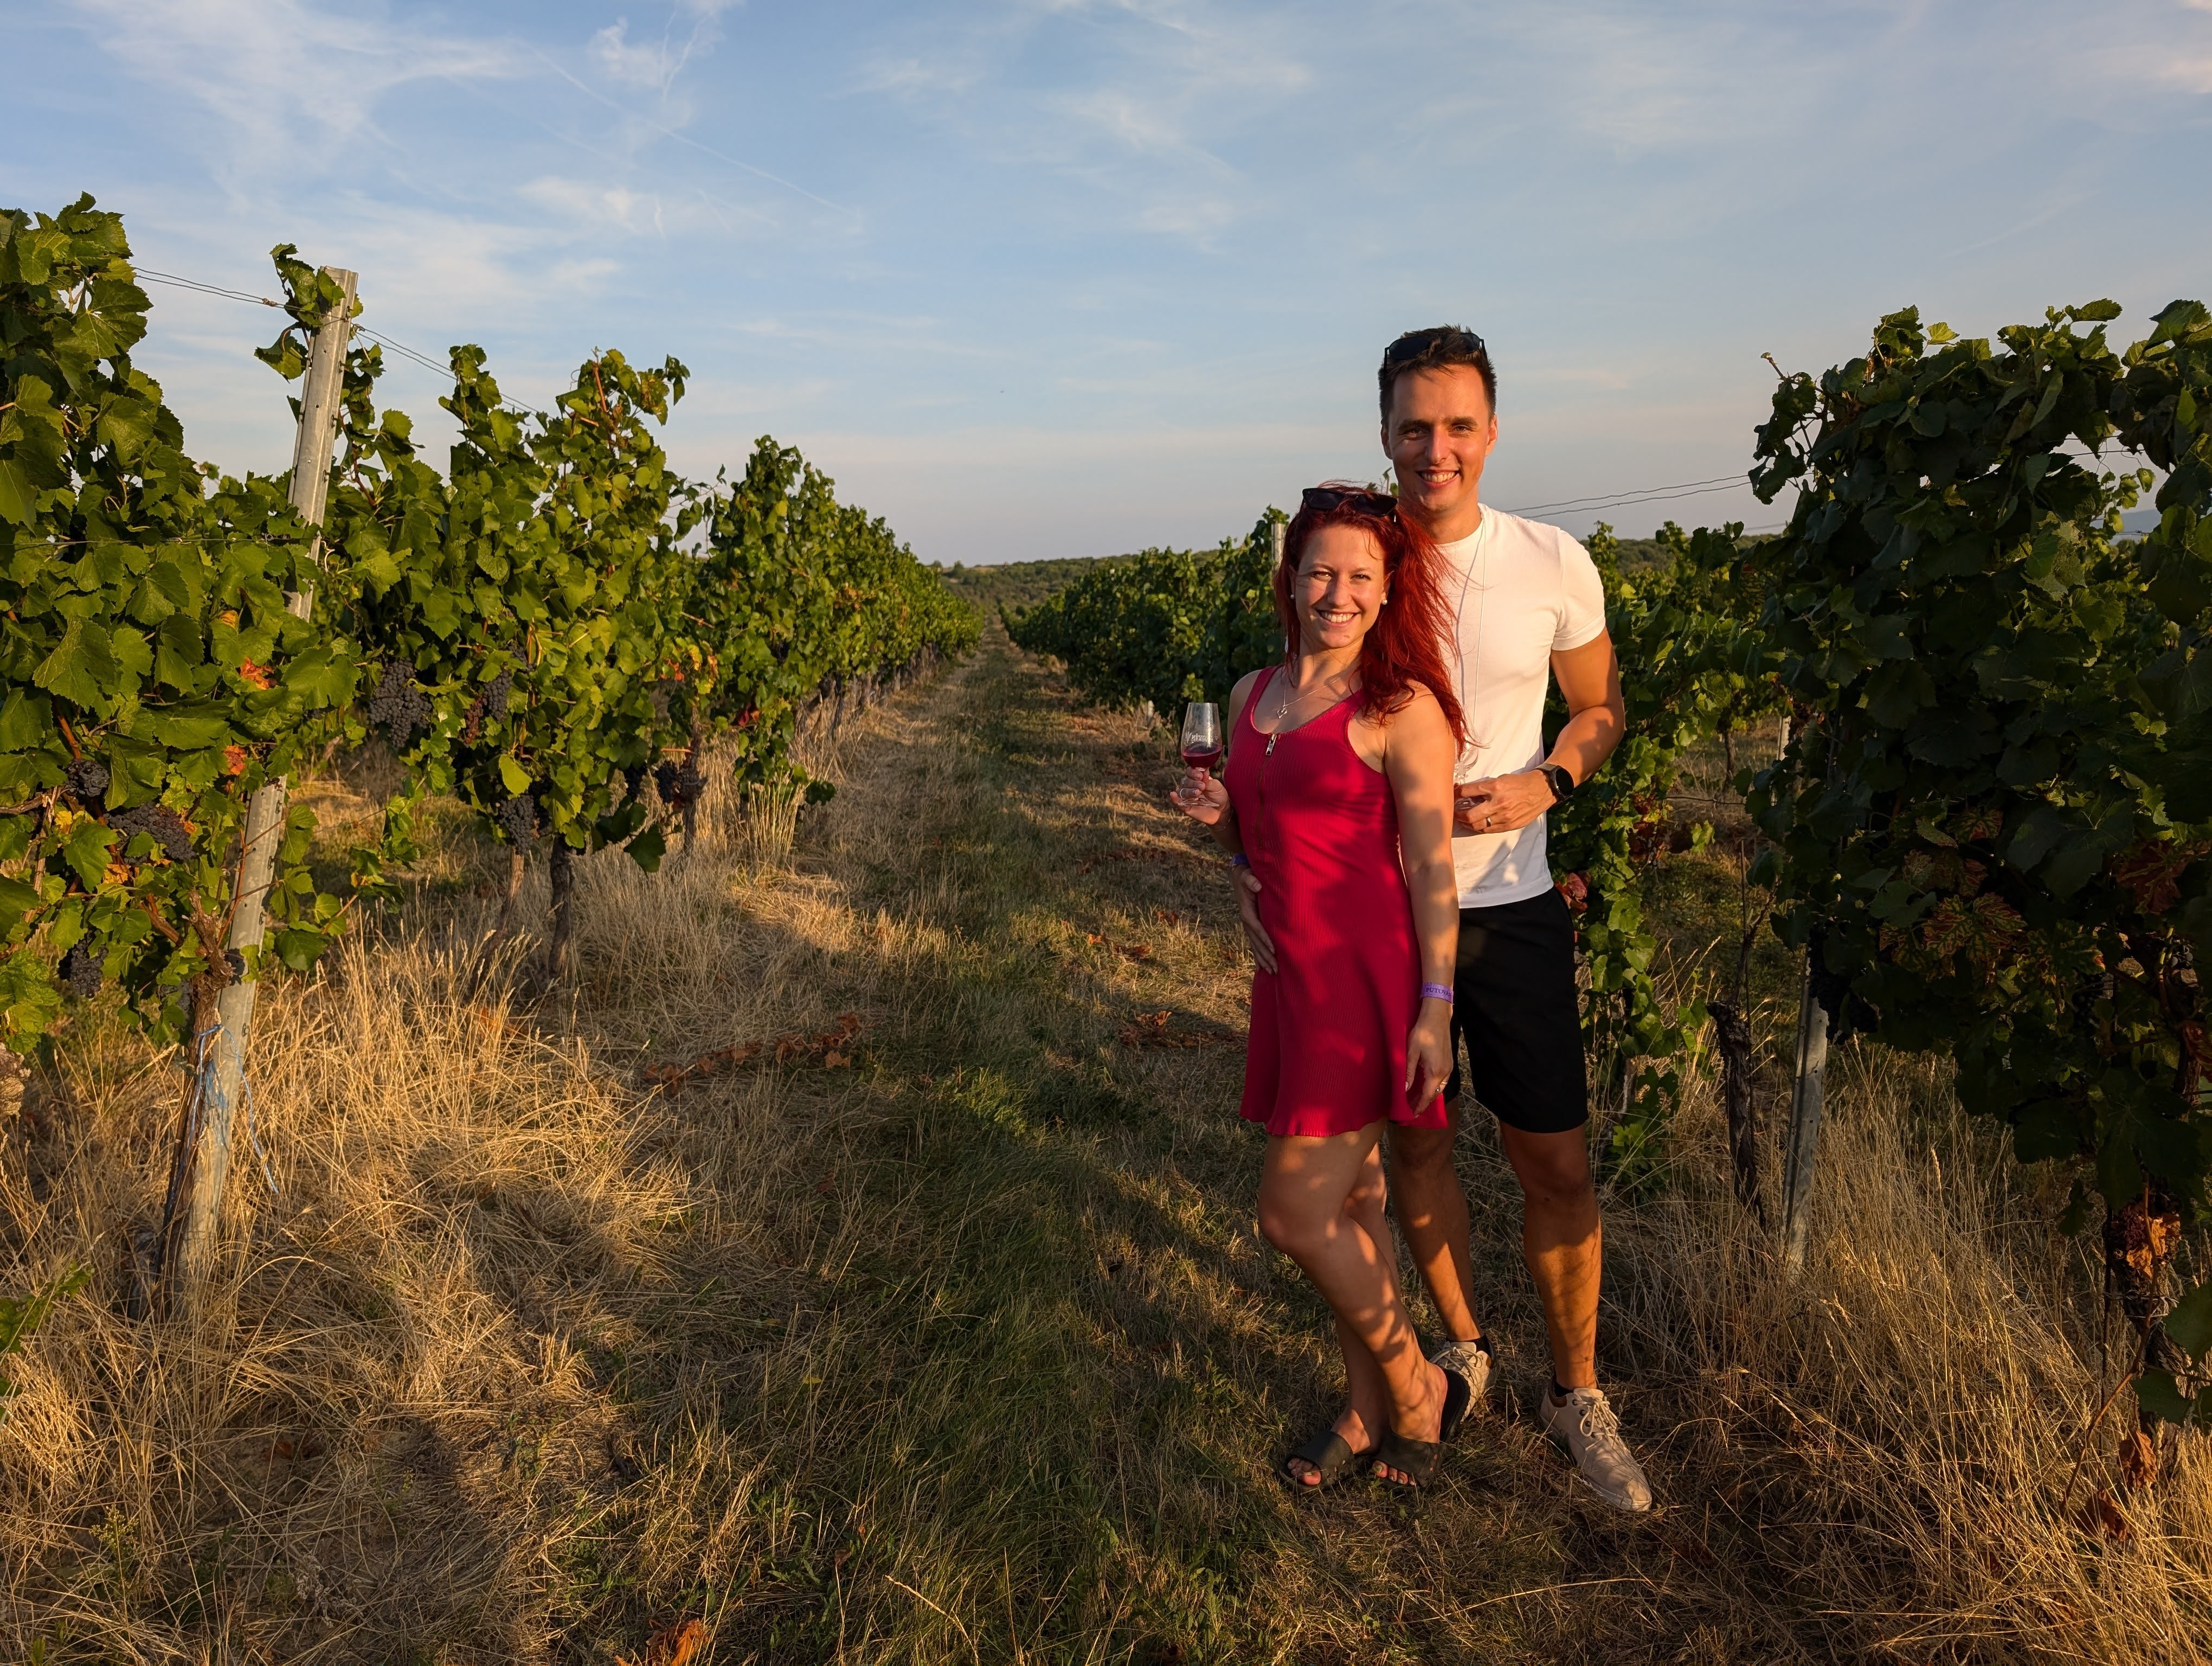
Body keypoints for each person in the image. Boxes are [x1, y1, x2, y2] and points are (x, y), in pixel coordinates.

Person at [1237, 328, 1650, 1512]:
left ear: (1493, 431)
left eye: (1458, 425)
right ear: (1384, 435)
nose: (1437, 448)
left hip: (1508, 905)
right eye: (1414, 427)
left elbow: (1600, 708)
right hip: (1374, 930)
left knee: (1552, 1158)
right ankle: (1451, 1354)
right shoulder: (1359, 560)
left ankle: (1577, 1393)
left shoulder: (1551, 561)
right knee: (1407, 1154)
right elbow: (1300, 735)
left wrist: (1550, 783)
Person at [1171, 484, 1469, 1493]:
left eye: (1359, 577)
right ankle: (1365, 1408)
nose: (1336, 593)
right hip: (1288, 976)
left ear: (1388, 594)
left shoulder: (1402, 708)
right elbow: (1257, 834)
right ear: (1290, 580)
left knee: (1293, 1215)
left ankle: (1417, 1387)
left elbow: (1431, 869)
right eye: (1319, 572)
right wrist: (1225, 843)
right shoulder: (1255, 692)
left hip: (1363, 980)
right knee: (1357, 1203)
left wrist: (1438, 1004)